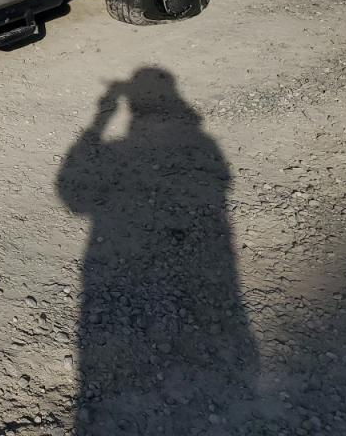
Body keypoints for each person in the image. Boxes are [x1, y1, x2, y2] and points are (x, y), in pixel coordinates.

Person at [57, 68, 259, 433]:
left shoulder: (190, 143)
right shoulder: (203, 142)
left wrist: (101, 118)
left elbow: (72, 194)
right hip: (213, 264)